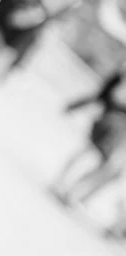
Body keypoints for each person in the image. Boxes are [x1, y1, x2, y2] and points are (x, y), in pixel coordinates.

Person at [54, 66, 126, 209]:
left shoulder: (119, 78)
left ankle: (71, 189)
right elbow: (101, 96)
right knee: (90, 154)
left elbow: (100, 96)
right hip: (109, 125)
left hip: (115, 131)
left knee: (100, 162)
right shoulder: (119, 80)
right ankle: (65, 186)